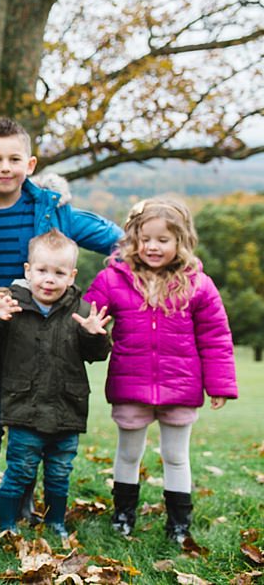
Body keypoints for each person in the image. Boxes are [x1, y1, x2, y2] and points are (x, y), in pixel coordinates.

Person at [0, 116, 123, 521]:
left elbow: (116, 239)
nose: (6, 168)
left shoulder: (51, 211)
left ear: (30, 164)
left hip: (42, 327)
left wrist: (91, 301)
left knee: (34, 412)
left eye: (14, 159)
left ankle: (23, 496)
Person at [84, 198, 238, 543]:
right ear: (133, 239)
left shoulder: (199, 284)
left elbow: (215, 337)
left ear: (180, 242)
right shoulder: (112, 278)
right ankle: (123, 514)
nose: (153, 247)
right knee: (127, 453)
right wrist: (89, 325)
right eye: (145, 238)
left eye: (163, 240)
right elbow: (86, 313)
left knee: (175, 456)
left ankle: (179, 524)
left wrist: (220, 385)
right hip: (131, 384)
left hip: (180, 387)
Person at [0, 230, 112, 542]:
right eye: (42, 271)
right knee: (20, 470)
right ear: (28, 271)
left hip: (66, 409)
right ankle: (6, 523)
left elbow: (96, 355)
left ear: (71, 277)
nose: (49, 280)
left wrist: (96, 335)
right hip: (24, 409)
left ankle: (56, 521)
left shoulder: (81, 311)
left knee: (59, 474)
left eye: (59, 273)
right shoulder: (12, 306)